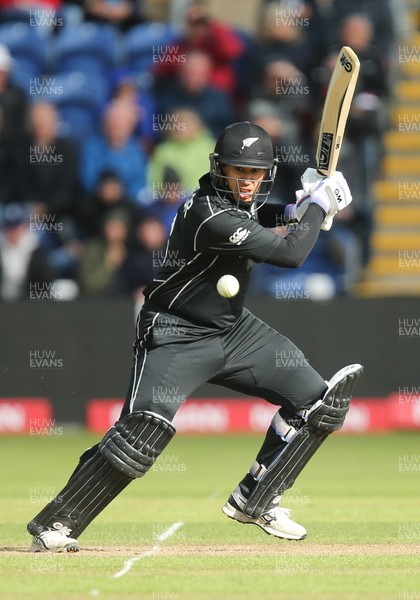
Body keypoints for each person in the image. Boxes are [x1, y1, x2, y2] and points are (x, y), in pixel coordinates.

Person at [26, 121, 363, 552]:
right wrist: (316, 207)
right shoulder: (207, 213)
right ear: (219, 168)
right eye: (238, 171)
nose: (248, 182)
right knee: (140, 435)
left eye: (255, 174)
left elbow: (267, 216)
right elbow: (290, 253)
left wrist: (305, 204)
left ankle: (256, 496)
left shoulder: (237, 207)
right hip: (173, 331)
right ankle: (56, 524)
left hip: (232, 329)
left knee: (318, 403)